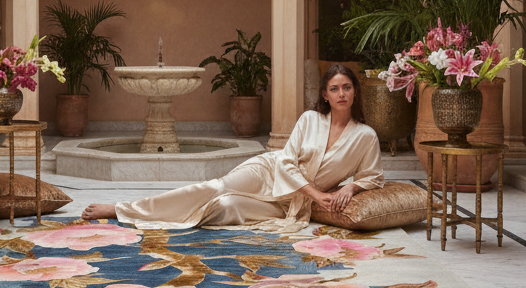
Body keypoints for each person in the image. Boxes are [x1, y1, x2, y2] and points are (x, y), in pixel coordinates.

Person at [80, 63, 385, 231]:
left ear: (355, 92)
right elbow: (286, 163)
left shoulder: (365, 136)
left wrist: (352, 188)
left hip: (291, 204)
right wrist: (318, 194)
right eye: (335, 89)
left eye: (347, 87)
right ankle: (121, 209)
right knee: (214, 188)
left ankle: (163, 220)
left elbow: (373, 176)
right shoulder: (310, 119)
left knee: (225, 207)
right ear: (325, 94)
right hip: (268, 172)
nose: (341, 93)